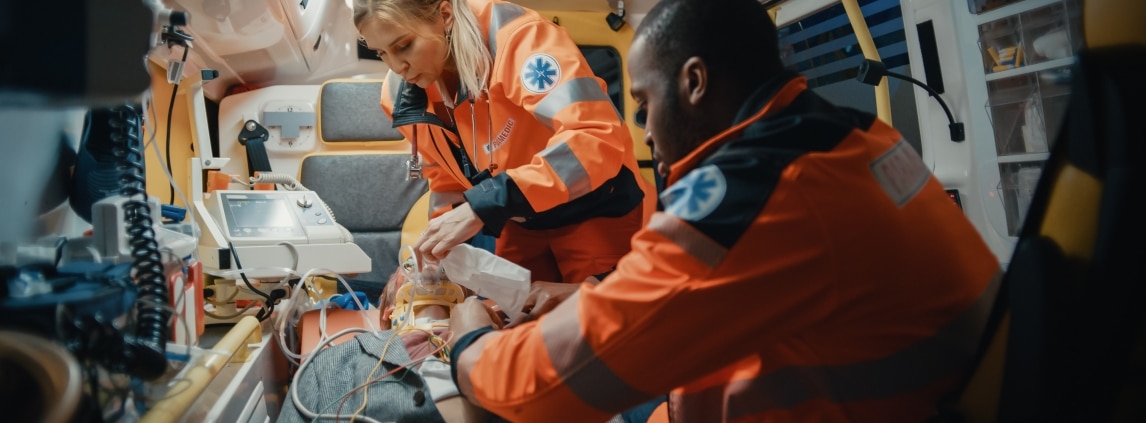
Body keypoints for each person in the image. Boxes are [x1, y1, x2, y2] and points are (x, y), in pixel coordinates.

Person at [443, 0, 1004, 421]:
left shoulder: (758, 189)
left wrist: (470, 346)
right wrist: (585, 295)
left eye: (644, 103)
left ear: (693, 83)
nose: (642, 129)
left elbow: (544, 390)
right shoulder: (853, 138)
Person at [353, 0, 655, 284]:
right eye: (381, 53)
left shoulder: (521, 40)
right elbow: (446, 179)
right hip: (519, 217)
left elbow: (595, 138)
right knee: (509, 319)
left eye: (403, 46)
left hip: (595, 207)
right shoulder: (399, 97)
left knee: (589, 328)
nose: (396, 67)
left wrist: (483, 206)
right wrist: (436, 253)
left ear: (444, 15)